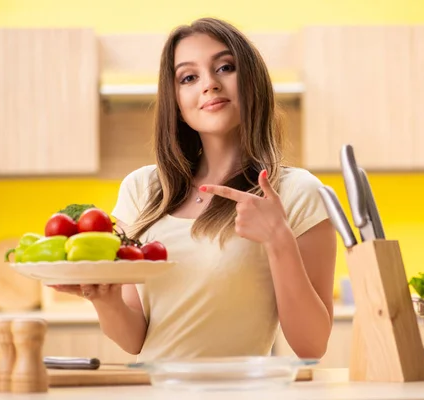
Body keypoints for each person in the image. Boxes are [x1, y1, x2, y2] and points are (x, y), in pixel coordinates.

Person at [52, 17, 336, 362]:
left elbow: (313, 346)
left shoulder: (297, 192)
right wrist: (103, 297)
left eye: (225, 67)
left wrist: (279, 240)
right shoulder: (141, 190)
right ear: (177, 103)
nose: (209, 84)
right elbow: (133, 339)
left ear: (252, 82)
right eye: (189, 77)